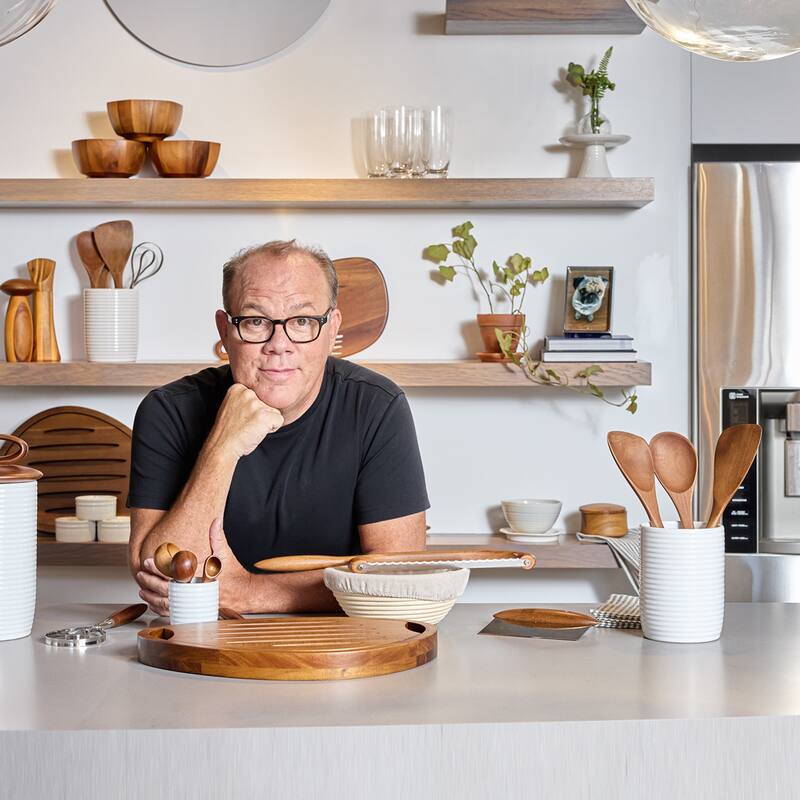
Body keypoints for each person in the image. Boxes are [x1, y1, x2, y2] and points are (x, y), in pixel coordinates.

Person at [128, 240, 429, 615]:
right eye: (255, 321)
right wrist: (222, 448)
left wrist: (252, 592)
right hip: (203, 642)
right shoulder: (168, 411)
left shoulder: (378, 408)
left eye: (302, 321)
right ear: (225, 330)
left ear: (332, 328)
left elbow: (398, 574)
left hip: (343, 644)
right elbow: (165, 573)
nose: (279, 344)